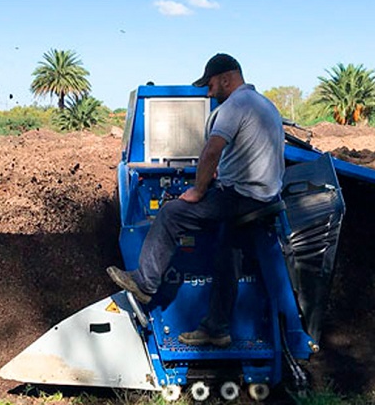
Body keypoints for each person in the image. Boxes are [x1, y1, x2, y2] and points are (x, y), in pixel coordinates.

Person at [107, 53, 285, 347]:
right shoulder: (266, 105)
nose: (208, 92)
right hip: (265, 199)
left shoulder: (235, 105)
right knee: (229, 255)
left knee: (172, 213)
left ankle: (145, 283)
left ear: (227, 79)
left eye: (211, 85)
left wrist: (198, 190)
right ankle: (217, 329)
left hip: (242, 197)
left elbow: (212, 150)